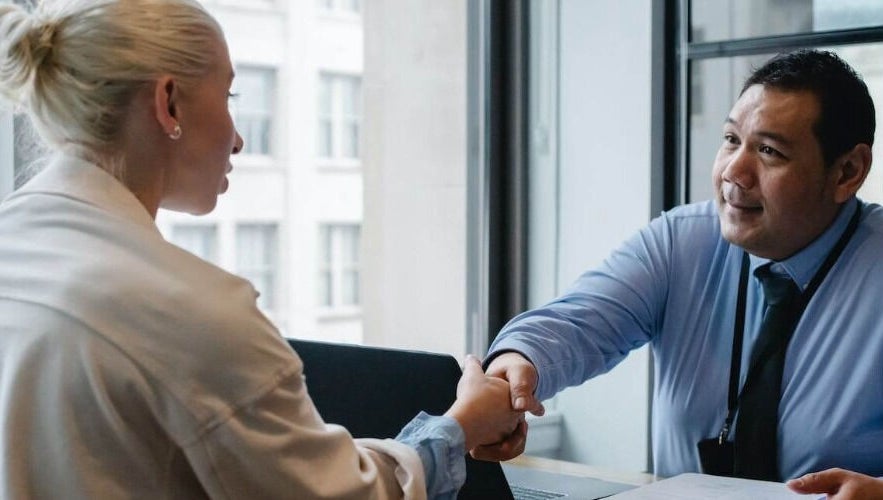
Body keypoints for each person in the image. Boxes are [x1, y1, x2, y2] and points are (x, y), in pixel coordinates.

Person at [0, 1, 523, 498]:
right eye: (229, 97)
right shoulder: (189, 311)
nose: (237, 140)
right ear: (168, 102)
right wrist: (462, 426)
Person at [478, 48, 883, 494]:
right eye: (731, 140)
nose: (734, 172)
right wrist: (517, 367)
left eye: (769, 152)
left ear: (847, 171)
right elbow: (575, 324)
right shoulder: (682, 241)